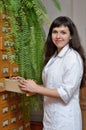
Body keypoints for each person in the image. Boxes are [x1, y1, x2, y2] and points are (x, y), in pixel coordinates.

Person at [16, 16, 85, 130]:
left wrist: (37, 88)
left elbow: (65, 93)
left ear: (71, 36)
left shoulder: (72, 58)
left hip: (65, 121)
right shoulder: (53, 57)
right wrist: (30, 87)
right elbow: (51, 86)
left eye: (63, 32)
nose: (58, 36)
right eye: (55, 32)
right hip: (50, 118)